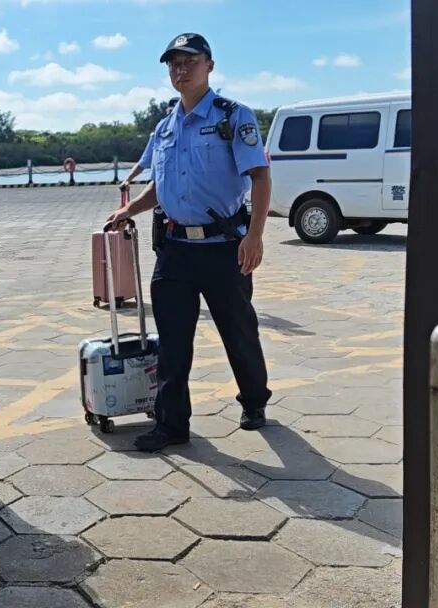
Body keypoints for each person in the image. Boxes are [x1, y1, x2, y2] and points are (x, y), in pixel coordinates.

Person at [109, 33, 273, 452]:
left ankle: (254, 400)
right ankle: (171, 424)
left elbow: (260, 176)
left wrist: (255, 236)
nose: (180, 70)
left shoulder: (233, 117)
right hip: (176, 249)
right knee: (173, 342)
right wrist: (130, 211)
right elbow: (159, 186)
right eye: (173, 64)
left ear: (209, 66)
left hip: (224, 247)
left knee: (239, 331)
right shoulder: (165, 127)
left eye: (190, 62)